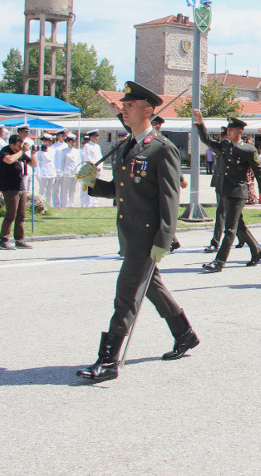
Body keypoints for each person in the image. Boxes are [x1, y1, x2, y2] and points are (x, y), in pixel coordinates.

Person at [76, 81, 198, 383]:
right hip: (130, 231)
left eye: (130, 106)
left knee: (126, 293)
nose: (124, 109)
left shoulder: (162, 149)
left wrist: (164, 239)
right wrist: (93, 185)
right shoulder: (128, 146)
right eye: (124, 106)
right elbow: (123, 190)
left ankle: (108, 361)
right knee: (151, 286)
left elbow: (170, 198)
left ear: (147, 110)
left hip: (147, 236)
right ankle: (185, 334)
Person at [195, 113, 261, 272]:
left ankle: (219, 262)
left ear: (240, 131)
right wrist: (201, 123)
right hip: (225, 191)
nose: (228, 131)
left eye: (232, 129)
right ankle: (257, 251)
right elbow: (207, 140)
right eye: (228, 129)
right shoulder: (225, 146)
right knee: (239, 225)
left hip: (237, 192)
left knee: (230, 228)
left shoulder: (248, 149)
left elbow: (258, 171)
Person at [0, 133, 37, 250]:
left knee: (21, 215)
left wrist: (32, 154)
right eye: (18, 146)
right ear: (12, 145)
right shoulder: (5, 151)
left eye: (21, 145)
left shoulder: (20, 152)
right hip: (9, 188)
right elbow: (9, 160)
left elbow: (33, 164)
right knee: (11, 215)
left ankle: (19, 240)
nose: (20, 147)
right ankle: (3, 241)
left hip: (20, 187)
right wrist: (21, 152)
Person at [80, 130, 103, 207]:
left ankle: (95, 202)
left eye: (97, 136)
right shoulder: (87, 146)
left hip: (97, 170)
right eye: (96, 136)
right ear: (91, 137)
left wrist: (99, 167)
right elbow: (88, 158)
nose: (97, 137)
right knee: (88, 186)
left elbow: (100, 158)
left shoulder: (97, 146)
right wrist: (94, 167)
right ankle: (87, 203)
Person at [59, 134, 82, 208]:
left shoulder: (77, 151)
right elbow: (61, 163)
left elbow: (79, 162)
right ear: (68, 142)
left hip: (75, 172)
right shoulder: (64, 151)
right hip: (67, 172)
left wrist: (79, 172)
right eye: (71, 141)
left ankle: (71, 203)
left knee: (73, 189)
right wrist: (61, 173)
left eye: (74, 142)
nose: (73, 143)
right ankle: (65, 204)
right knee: (65, 189)